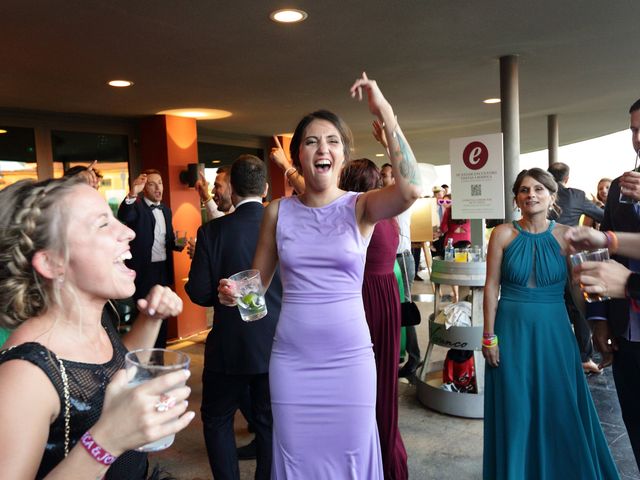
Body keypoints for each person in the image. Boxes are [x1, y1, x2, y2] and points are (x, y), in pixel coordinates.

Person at [219, 72, 421, 478]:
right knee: (295, 458)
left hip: (350, 359)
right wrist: (234, 294)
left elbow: (411, 190)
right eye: (311, 141)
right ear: (298, 156)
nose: (322, 148)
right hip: (292, 360)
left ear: (343, 156)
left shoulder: (361, 207)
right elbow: (256, 295)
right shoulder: (277, 212)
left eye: (332, 141)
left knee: (351, 454)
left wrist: (386, 113)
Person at [0, 176, 194, 479]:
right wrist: (109, 439)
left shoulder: (97, 320)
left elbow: (113, 374)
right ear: (52, 263)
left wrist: (151, 318)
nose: (128, 231)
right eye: (102, 224)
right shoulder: (25, 374)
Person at [482, 168, 618, 479]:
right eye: (525, 190)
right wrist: (489, 336)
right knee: (516, 409)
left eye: (539, 189)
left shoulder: (565, 236)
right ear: (516, 197)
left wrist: (599, 328)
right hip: (510, 331)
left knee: (558, 405)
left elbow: (577, 290)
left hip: (554, 332)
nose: (531, 195)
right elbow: (491, 286)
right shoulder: (502, 234)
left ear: (552, 196)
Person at [185, 155, 282, 480]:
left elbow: (198, 293)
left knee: (216, 420)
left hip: (228, 348)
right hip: (276, 344)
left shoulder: (212, 231)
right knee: (270, 424)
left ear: (233, 192)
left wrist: (221, 292)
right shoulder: (285, 229)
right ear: (265, 188)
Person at [577, 97, 640, 470]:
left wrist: (628, 284)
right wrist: (598, 317)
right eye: (634, 129)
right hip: (627, 338)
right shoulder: (619, 188)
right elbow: (610, 251)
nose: (638, 137)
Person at [338, 158, 408, 479]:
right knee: (383, 376)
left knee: (363, 379)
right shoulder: (388, 216)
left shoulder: (359, 213)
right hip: (387, 294)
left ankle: (372, 450)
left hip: (364, 296)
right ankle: (385, 442)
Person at [117, 169, 184, 349]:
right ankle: (142, 358)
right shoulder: (137, 206)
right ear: (144, 188)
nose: (158, 187)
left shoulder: (166, 211)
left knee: (162, 315)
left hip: (162, 269)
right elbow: (124, 215)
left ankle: (160, 356)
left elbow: (167, 239)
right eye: (152, 184)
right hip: (143, 270)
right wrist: (132, 193)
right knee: (145, 315)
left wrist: (178, 244)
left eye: (160, 183)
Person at [547, 161, 604, 374]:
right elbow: (603, 216)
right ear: (567, 178)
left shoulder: (542, 192)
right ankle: (584, 357)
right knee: (579, 306)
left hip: (543, 256)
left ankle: (553, 353)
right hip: (569, 257)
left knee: (552, 304)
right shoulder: (576, 195)